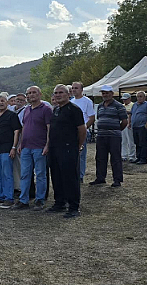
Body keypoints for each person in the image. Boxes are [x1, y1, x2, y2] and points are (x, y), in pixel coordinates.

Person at [47, 84, 87, 218]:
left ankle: (74, 207)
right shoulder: (56, 110)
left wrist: (78, 146)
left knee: (70, 177)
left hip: (69, 148)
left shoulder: (74, 110)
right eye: (56, 93)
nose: (58, 95)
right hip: (54, 148)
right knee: (57, 176)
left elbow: (82, 130)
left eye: (61, 93)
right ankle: (60, 202)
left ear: (68, 94)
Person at [13, 86, 51, 211]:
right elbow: (24, 127)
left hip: (39, 147)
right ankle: (24, 200)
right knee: (25, 174)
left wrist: (47, 145)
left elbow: (49, 128)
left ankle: (39, 200)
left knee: (40, 174)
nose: (31, 95)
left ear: (40, 94)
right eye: (28, 93)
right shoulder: (27, 110)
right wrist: (20, 144)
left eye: (34, 92)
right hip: (26, 147)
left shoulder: (46, 109)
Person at [0, 94, 21, 208]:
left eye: (3, 101)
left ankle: (9, 198)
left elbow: (16, 131)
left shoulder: (12, 115)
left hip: (6, 148)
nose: (1, 102)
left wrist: (14, 147)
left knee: (7, 173)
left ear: (7, 102)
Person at [91, 85, 128, 187]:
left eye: (107, 93)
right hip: (101, 135)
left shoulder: (119, 106)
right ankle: (100, 178)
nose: (105, 95)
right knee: (100, 157)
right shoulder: (100, 106)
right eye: (103, 93)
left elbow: (124, 121)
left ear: (112, 93)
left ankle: (117, 180)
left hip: (114, 136)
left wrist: (116, 130)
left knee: (115, 158)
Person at [70, 82, 96, 182]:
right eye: (72, 88)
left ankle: (80, 176)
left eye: (76, 88)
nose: (74, 90)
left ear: (81, 90)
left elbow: (91, 118)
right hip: (71, 132)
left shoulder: (87, 102)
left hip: (82, 132)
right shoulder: (71, 101)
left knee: (81, 155)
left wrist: (84, 129)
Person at [130, 91, 147, 165]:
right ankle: (138, 157)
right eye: (138, 96)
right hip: (135, 126)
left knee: (142, 143)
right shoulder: (134, 105)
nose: (139, 98)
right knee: (137, 142)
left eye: (141, 96)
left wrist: (146, 124)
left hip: (142, 126)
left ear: (144, 97)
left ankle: (143, 159)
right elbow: (131, 114)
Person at [120, 93, 136, 161]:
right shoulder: (121, 106)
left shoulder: (133, 105)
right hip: (122, 123)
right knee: (123, 140)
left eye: (125, 99)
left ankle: (132, 155)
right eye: (123, 99)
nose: (124, 101)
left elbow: (132, 113)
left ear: (129, 99)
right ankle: (124, 155)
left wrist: (126, 112)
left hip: (129, 124)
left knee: (130, 140)